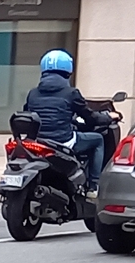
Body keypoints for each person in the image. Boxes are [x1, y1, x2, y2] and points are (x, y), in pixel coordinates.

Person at [22, 49, 104, 190]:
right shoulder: (71, 93)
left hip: (39, 142)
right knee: (98, 140)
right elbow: (91, 118)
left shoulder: (33, 93)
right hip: (63, 140)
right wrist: (108, 117)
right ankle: (93, 186)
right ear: (68, 70)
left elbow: (27, 114)